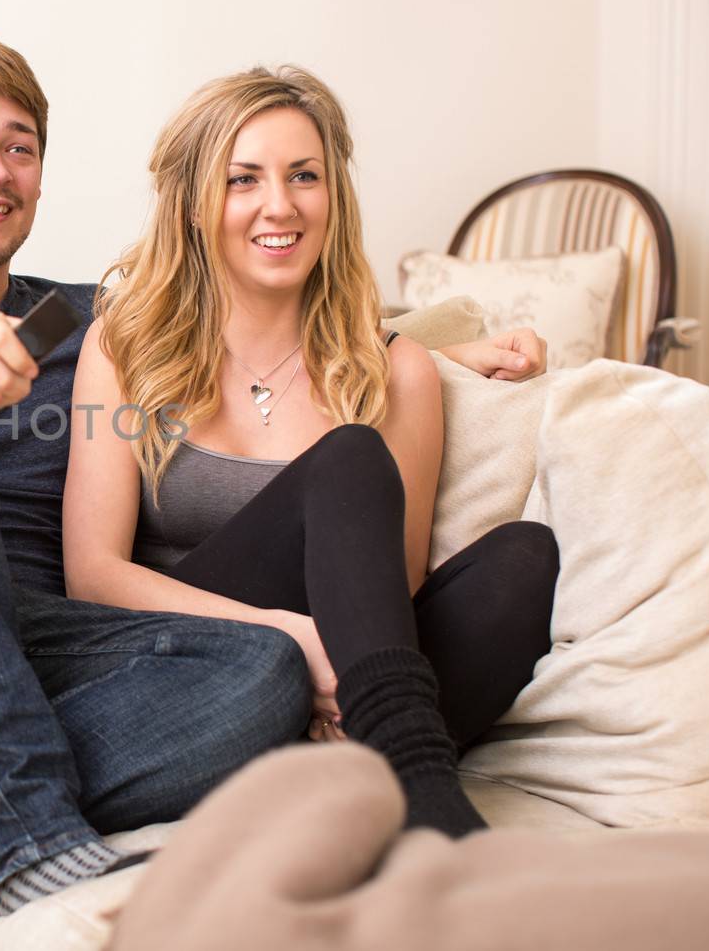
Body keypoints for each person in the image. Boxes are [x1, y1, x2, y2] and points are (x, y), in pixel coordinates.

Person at [0, 37, 540, 916]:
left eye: (18, 147)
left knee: (264, 672)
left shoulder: (72, 321)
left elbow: (243, 310)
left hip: (16, 653)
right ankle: (17, 840)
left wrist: (442, 352)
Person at [62, 66, 559, 837]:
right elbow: (92, 575)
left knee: (525, 559)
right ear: (196, 205)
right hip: (193, 673)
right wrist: (291, 635)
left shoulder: (398, 370)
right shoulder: (124, 348)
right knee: (350, 456)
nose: (280, 205)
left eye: (304, 176)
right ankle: (422, 794)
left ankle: (363, 765)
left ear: (334, 197)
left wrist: (345, 669)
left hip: (347, 690)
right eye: (243, 179)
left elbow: (385, 596)